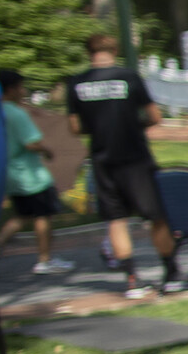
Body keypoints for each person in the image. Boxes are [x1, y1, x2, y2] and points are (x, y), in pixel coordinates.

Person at [65, 33, 178, 297]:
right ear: (114, 49)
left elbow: (74, 127)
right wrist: (135, 125)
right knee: (156, 216)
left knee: (116, 220)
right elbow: (154, 116)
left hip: (103, 158)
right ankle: (171, 272)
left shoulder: (76, 83)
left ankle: (131, 280)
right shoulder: (128, 77)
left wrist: (96, 127)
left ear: (88, 52)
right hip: (135, 156)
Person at [0, 69, 74, 274]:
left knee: (22, 216)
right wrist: (47, 151)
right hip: (32, 175)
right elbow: (31, 143)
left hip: (11, 174)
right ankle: (44, 259)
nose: (23, 91)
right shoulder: (16, 113)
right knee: (43, 215)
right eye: (21, 87)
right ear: (12, 89)